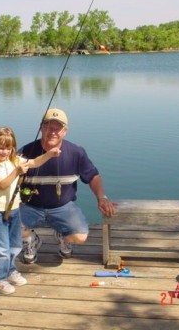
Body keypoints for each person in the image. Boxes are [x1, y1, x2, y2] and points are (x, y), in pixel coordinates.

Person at [18, 108, 116, 264]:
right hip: (31, 207)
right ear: (41, 127)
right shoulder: (25, 152)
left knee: (80, 236)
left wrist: (101, 198)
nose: (53, 132)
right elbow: (8, 175)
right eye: (49, 127)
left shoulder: (76, 153)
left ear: (65, 131)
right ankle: (31, 240)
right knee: (7, 226)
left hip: (63, 207)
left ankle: (63, 236)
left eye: (58, 129)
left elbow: (93, 176)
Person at [0, 127, 60, 294]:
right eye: (0, 147)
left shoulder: (15, 160)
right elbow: (2, 184)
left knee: (15, 245)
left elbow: (34, 162)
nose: (4, 151)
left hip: (14, 210)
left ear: (13, 148)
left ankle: (10, 272)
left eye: (8, 148)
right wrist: (17, 171)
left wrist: (49, 154)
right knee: (2, 249)